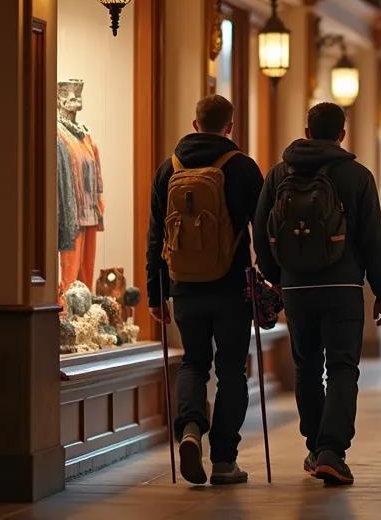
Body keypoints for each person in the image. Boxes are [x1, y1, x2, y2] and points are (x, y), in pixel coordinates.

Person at [252, 102, 381, 487]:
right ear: (342, 135)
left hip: (296, 287)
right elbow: (373, 239)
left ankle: (315, 447)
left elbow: (261, 229)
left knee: (306, 367)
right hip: (344, 287)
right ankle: (332, 451)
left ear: (307, 131)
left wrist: (275, 277)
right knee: (343, 367)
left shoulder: (279, 173)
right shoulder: (357, 176)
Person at [146, 95, 264, 485]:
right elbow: (262, 231)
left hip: (184, 287)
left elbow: (154, 237)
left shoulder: (168, 169)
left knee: (194, 362)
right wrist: (271, 277)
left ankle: (192, 429)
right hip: (232, 287)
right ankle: (225, 462)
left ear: (195, 124)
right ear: (229, 127)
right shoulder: (243, 169)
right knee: (232, 371)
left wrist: (155, 292)